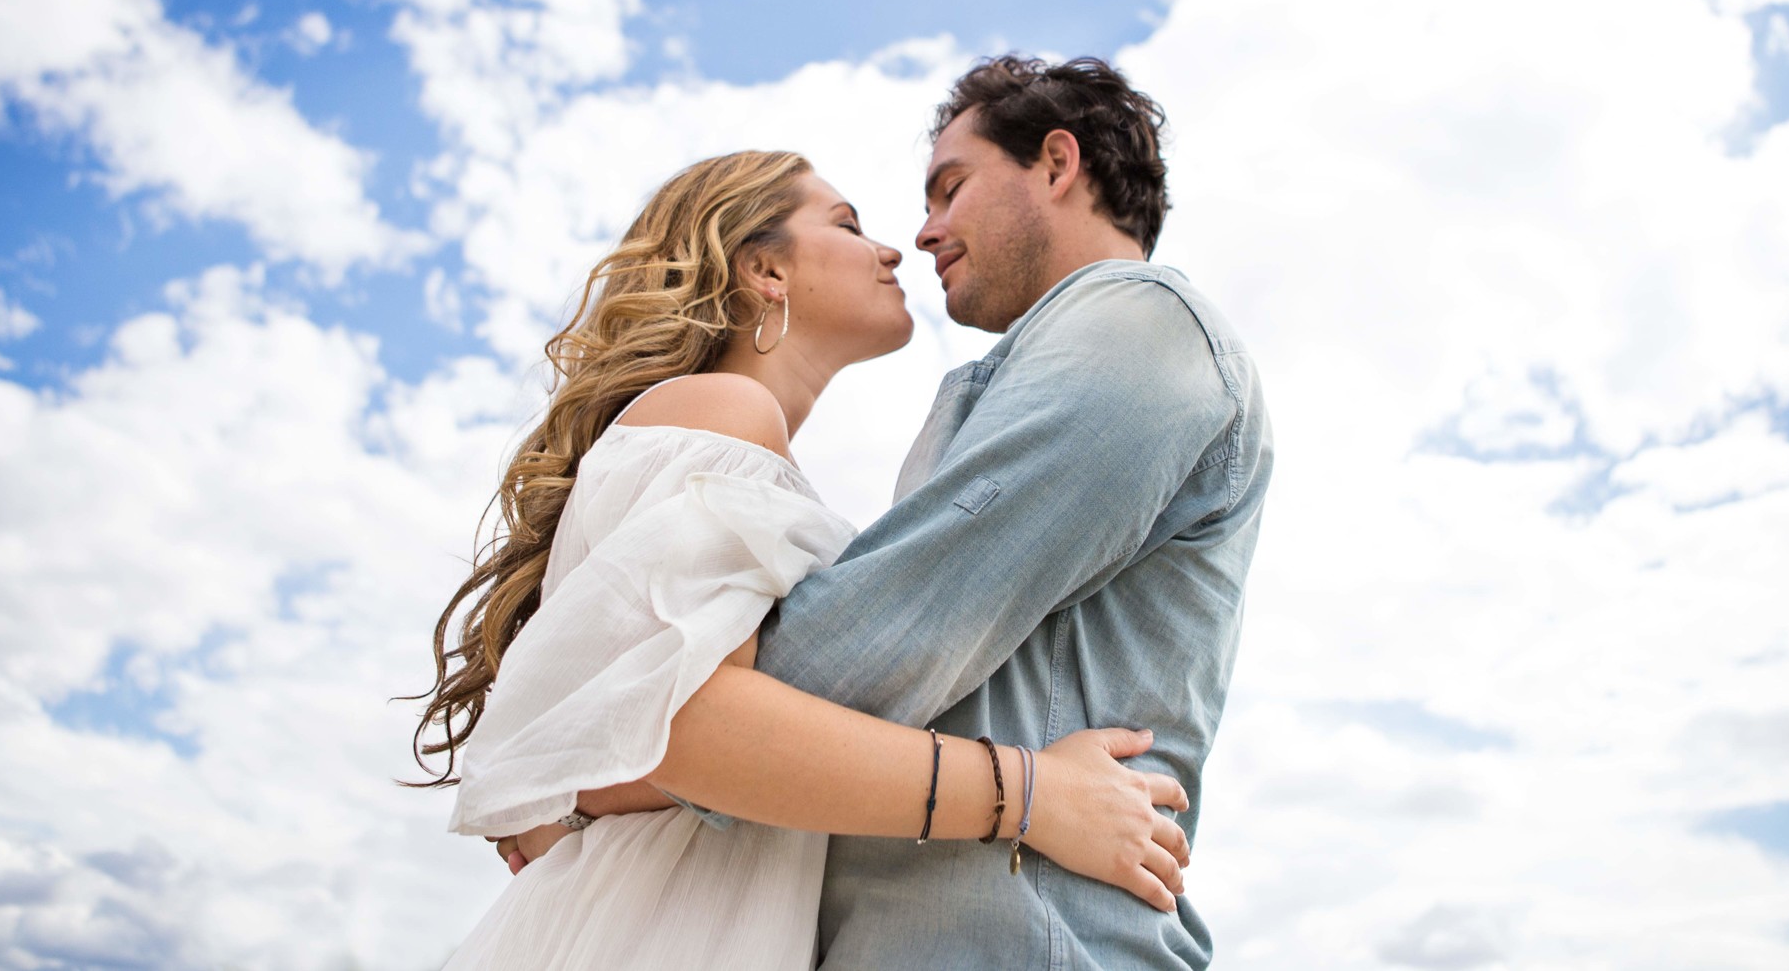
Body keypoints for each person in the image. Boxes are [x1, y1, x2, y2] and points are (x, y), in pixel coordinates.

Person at [502, 55, 1274, 970]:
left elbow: (853, 658)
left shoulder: (1138, 326)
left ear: (1058, 166)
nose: (920, 233)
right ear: (763, 271)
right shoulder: (761, 416)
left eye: (950, 189)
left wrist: (598, 765)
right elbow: (736, 703)